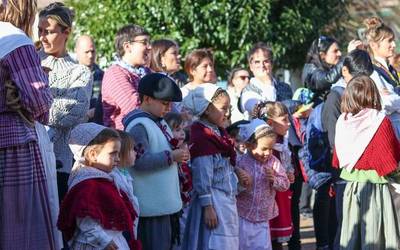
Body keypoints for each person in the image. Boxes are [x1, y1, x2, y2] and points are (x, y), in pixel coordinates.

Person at [0, 1, 57, 248]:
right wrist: (40, 80)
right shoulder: (13, 38)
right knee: (19, 230)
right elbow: (38, 101)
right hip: (12, 141)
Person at [332, 75, 400, 249]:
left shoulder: (343, 121)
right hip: (375, 188)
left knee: (352, 237)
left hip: (350, 187)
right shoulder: (379, 120)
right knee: (375, 236)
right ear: (373, 95)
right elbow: (390, 158)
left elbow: (338, 157)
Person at [181, 83, 250, 250]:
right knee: (214, 243)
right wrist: (208, 207)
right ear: (206, 108)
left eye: (228, 108)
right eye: (222, 108)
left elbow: (222, 164)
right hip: (214, 199)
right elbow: (202, 174)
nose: (226, 113)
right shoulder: (203, 137)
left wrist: (237, 171)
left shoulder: (218, 132)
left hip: (225, 199)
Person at [123, 73, 188, 250]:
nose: (169, 108)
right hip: (150, 209)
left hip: (162, 205)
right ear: (147, 99)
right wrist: (171, 157)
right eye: (164, 103)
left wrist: (178, 155)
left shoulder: (157, 121)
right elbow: (139, 161)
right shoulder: (139, 126)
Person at [38, 2, 93, 201]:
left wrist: (31, 105)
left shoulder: (80, 72)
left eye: (49, 31)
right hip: (26, 158)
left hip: (60, 163)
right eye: (40, 30)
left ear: (66, 32)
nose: (42, 37)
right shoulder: (29, 63)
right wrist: (52, 102)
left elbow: (74, 111)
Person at [57, 123, 141, 249]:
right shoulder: (87, 185)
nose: (118, 159)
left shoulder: (105, 178)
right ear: (92, 155)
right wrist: (102, 240)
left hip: (111, 238)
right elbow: (85, 220)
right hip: (94, 244)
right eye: (113, 153)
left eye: (118, 154)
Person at [322, 49, 374, 250]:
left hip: (365, 173)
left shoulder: (363, 95)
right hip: (346, 174)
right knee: (346, 228)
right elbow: (335, 142)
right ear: (344, 71)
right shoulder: (335, 98)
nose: (363, 83)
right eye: (358, 77)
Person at [236, 119, 290, 250]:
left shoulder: (273, 162)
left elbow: (285, 184)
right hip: (242, 215)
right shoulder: (240, 162)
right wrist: (241, 183)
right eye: (264, 149)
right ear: (249, 145)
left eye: (271, 149)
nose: (268, 153)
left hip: (263, 218)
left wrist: (274, 180)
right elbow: (233, 187)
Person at [252, 101, 295, 249]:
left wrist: (288, 173)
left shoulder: (283, 143)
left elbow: (286, 166)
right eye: (284, 120)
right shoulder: (261, 148)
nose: (288, 124)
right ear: (270, 122)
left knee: (276, 238)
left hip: (279, 194)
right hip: (265, 196)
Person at [102, 24, 151, 129]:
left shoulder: (147, 72)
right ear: (127, 46)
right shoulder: (114, 73)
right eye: (144, 42)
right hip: (124, 141)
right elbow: (134, 108)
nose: (149, 47)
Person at [364, 17, 400, 139]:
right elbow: (384, 103)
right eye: (389, 41)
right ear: (374, 45)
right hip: (390, 130)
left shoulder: (390, 69)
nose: (394, 45)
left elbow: (391, 99)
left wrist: (392, 97)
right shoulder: (372, 72)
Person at [302, 36, 362, 103]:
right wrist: (348, 55)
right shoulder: (312, 70)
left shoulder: (328, 67)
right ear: (322, 55)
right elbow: (329, 78)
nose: (340, 54)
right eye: (335, 51)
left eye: (339, 50)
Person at [240, 42, 293, 118]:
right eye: (257, 62)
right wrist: (267, 83)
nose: (262, 66)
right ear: (251, 66)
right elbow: (257, 110)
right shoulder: (248, 90)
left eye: (266, 61)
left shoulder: (285, 87)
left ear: (272, 64)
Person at [164, 112, 193, 249]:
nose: (182, 133)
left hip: (185, 204)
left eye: (182, 129)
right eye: (177, 130)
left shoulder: (181, 151)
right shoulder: (168, 152)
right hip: (173, 206)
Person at [75, 35, 104, 124]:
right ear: (77, 51)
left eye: (92, 51)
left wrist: (98, 109)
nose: (90, 55)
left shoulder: (103, 76)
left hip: (97, 126)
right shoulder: (68, 76)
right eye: (86, 52)